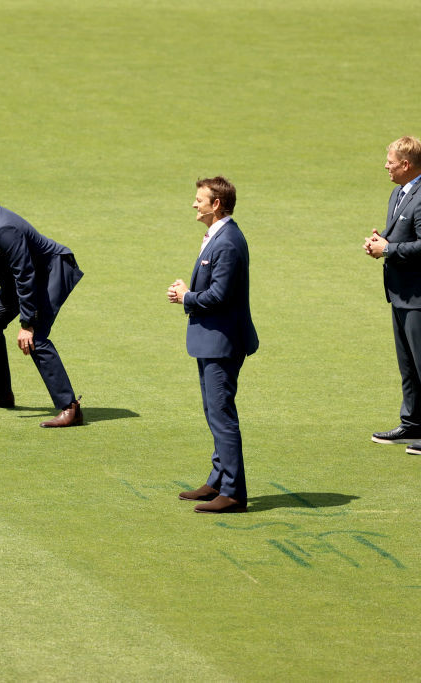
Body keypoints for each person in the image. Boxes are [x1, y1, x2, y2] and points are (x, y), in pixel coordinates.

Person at [0, 178, 83, 427]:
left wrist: (27, 323)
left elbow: (26, 275)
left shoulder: (5, 228)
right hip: (24, 278)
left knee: (37, 337)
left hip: (52, 273)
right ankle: (2, 393)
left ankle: (70, 408)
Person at [168, 176, 258, 513]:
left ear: (216, 204)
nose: (194, 204)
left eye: (199, 199)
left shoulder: (228, 241)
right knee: (214, 412)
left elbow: (220, 295)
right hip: (211, 341)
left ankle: (234, 493)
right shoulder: (218, 237)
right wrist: (189, 291)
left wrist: (186, 296)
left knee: (222, 415)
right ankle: (219, 479)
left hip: (223, 342)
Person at [364, 136, 421, 454]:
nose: (385, 165)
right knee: (408, 363)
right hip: (402, 293)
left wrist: (388, 248)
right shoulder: (399, 192)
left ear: (406, 164)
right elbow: (403, 232)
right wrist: (381, 240)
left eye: (390, 160)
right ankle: (412, 424)